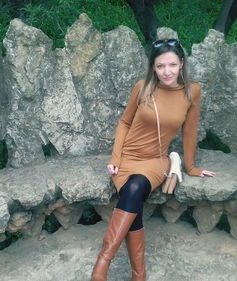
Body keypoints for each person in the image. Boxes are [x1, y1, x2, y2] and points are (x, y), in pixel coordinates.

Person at [91, 38, 216, 281]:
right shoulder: (143, 87)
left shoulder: (192, 92)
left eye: (171, 65)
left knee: (135, 187)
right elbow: (124, 122)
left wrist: (191, 168)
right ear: (153, 68)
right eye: (160, 66)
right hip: (128, 158)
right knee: (133, 196)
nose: (166, 72)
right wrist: (116, 157)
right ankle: (139, 275)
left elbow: (189, 132)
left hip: (156, 160)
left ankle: (102, 264)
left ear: (181, 64)